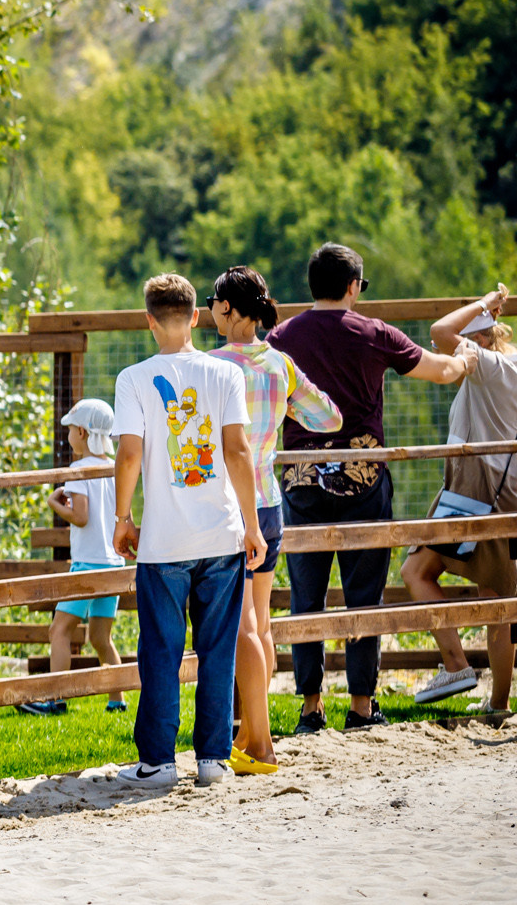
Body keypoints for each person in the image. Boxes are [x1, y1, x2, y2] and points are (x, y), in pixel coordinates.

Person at [268, 241, 471, 731]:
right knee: (364, 595)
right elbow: (442, 372)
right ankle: (361, 706)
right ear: (354, 286)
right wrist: (467, 358)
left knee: (305, 595)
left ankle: (310, 706)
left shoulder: (280, 338)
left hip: (300, 477)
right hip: (363, 478)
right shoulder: (373, 333)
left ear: (312, 285)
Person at [112, 274, 267, 789]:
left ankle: (157, 761)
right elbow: (238, 452)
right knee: (217, 649)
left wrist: (122, 517)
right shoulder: (225, 375)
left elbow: (130, 453)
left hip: (162, 542)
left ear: (149, 320)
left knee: (160, 649)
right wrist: (251, 525)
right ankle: (212, 759)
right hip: (221, 535)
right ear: (196, 317)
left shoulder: (133, 378)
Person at [209, 266, 343, 770]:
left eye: (214, 300)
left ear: (227, 308)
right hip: (270, 501)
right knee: (261, 622)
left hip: (230, 507)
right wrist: (281, 411)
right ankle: (250, 732)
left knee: (243, 625)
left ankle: (257, 741)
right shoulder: (281, 365)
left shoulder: (214, 366)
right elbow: (328, 418)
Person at [404, 289, 517, 712]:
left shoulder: (491, 367)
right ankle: (487, 692)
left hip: (481, 490)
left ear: (480, 341)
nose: (439, 349)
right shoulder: (502, 366)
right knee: (492, 597)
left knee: (492, 598)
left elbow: (440, 329)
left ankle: (477, 683)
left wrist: (486, 302)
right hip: (482, 490)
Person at [19, 400, 129, 718]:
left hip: (87, 564)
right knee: (99, 636)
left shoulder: (79, 470)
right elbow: (125, 512)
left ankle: (56, 699)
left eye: (70, 429)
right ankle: (116, 700)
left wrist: (55, 502)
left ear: (81, 432)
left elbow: (80, 517)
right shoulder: (116, 465)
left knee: (59, 631)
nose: (68, 434)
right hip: (113, 563)